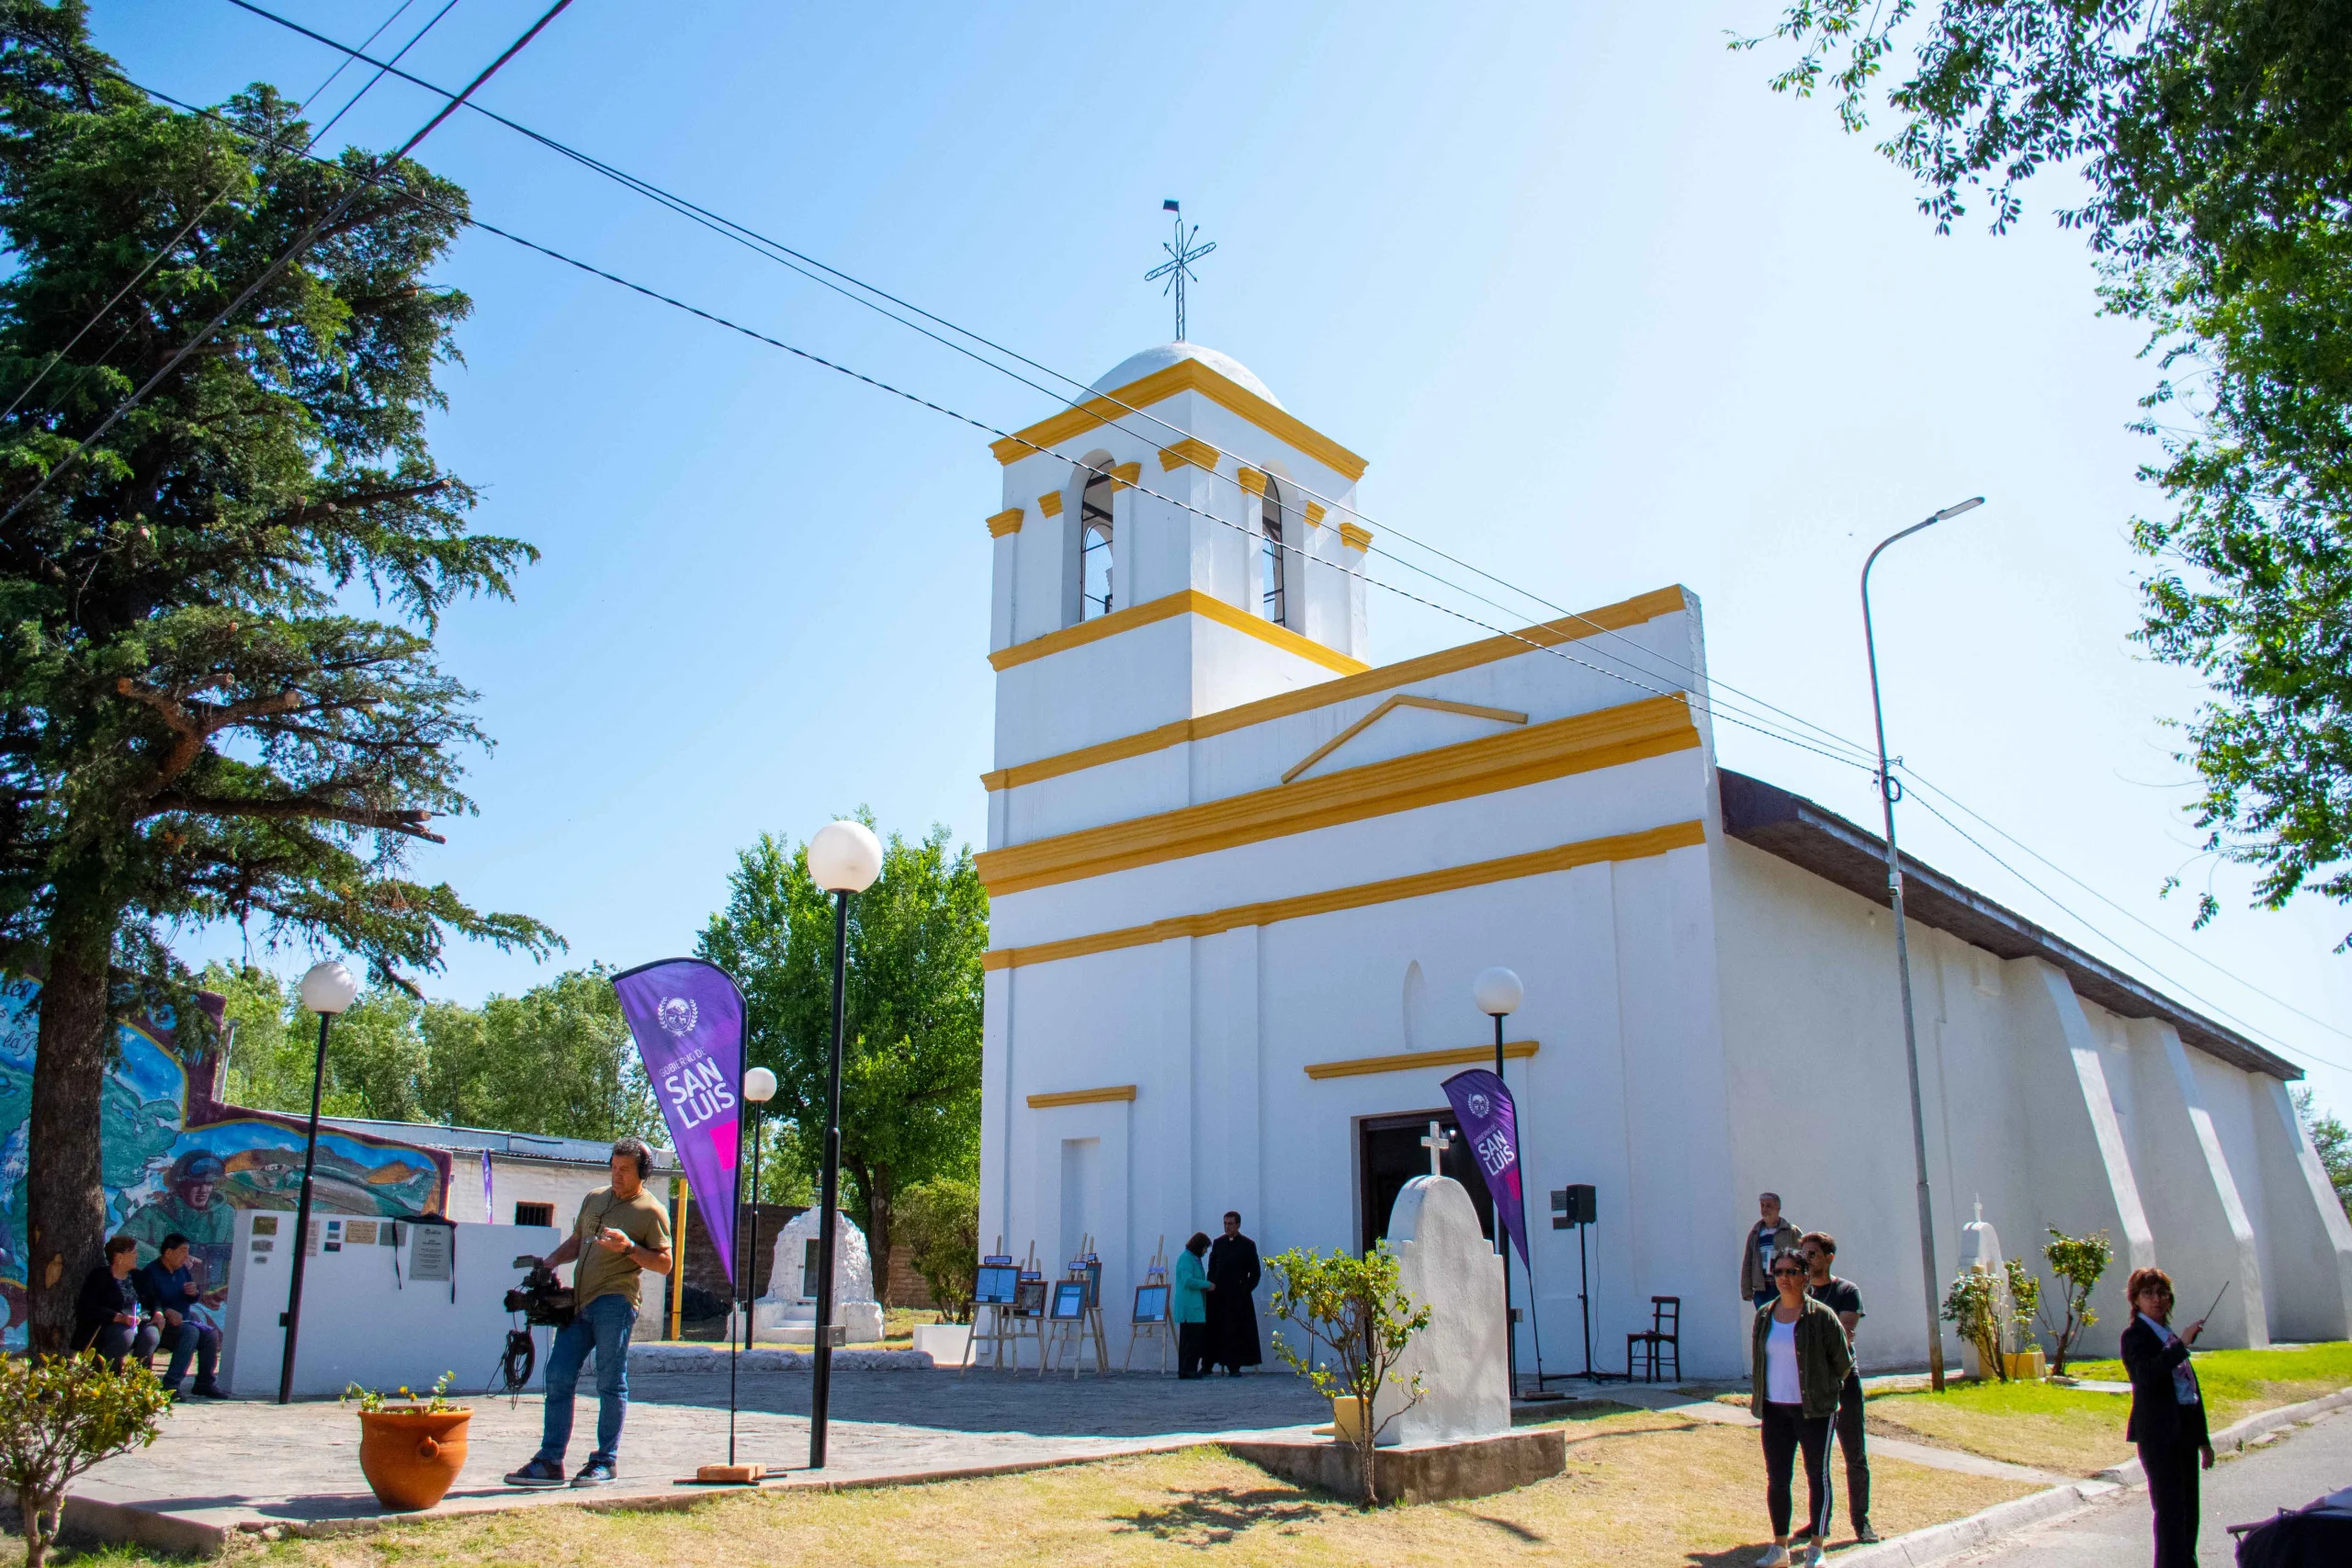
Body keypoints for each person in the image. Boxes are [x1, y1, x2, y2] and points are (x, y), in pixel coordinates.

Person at [504, 1138, 673, 1488]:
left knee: (610, 1380)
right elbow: (578, 1240)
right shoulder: (594, 1198)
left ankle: (605, 1461)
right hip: (578, 1304)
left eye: (625, 1170)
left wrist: (629, 1248)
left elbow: (664, 1263)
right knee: (558, 1374)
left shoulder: (651, 1210)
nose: (617, 1176)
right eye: (613, 1167)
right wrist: (551, 1261)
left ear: (643, 1172)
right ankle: (550, 1461)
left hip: (616, 1303)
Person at [1750, 1248, 1851, 1567]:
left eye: (1792, 1272)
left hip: (1814, 1411)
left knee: (1817, 1476)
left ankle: (1816, 1549)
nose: (1784, 1278)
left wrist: (1822, 1390)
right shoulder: (1765, 1314)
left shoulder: (1821, 1316)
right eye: (1778, 1272)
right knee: (1777, 1478)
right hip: (1774, 1410)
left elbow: (1842, 1363)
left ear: (1805, 1276)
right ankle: (1779, 1548)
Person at [2120, 1266, 2212, 1568]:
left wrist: (2203, 1440)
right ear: (2135, 1299)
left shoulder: (2168, 1334)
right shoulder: (2135, 1336)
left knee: (2189, 1513)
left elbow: (2189, 1391)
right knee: (2170, 1512)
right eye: (2148, 1293)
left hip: (2184, 1432)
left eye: (2162, 1293)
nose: (2156, 1299)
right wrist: (2181, 1345)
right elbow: (2144, 1375)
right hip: (2158, 1435)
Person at [1800, 1232, 1874, 1545]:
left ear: (1829, 1257)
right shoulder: (1798, 1294)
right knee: (1816, 1459)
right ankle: (1819, 1524)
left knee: (1854, 1453)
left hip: (1843, 1381)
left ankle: (1862, 1522)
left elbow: (1843, 1334)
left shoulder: (1846, 1291)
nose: (1807, 1261)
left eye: (1813, 1254)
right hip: (1812, 1386)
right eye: (1804, 1255)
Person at [136, 1233, 223, 1398]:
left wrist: (194, 1292)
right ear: (168, 1253)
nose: (186, 1256)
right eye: (183, 1251)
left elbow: (192, 1298)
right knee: (191, 1332)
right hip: (162, 1322)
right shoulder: (151, 1272)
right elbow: (148, 1300)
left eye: (187, 1251)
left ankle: (204, 1383)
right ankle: (171, 1385)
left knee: (210, 1334)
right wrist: (167, 1311)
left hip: (184, 1319)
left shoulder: (182, 1270)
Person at [73, 1236, 159, 1370]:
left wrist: (159, 1313)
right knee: (125, 1337)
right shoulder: (100, 1276)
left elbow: (153, 1299)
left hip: (139, 1320)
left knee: (151, 1336)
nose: (137, 1255)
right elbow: (87, 1307)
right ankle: (109, 1377)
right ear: (119, 1257)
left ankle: (138, 1379)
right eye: (133, 1252)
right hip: (111, 1323)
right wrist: (119, 1317)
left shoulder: (139, 1277)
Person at [1204, 1211, 1262, 1375]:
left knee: (1236, 1332)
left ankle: (1234, 1366)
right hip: (1218, 1296)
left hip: (1238, 1298)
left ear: (1238, 1225)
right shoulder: (1218, 1243)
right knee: (1214, 1331)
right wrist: (1211, 1286)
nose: (1227, 1227)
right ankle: (1208, 1364)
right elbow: (1212, 1268)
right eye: (1225, 1223)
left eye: (1230, 1224)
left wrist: (1244, 1290)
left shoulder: (1248, 1245)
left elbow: (1255, 1273)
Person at [1740, 1191, 1803, 1310]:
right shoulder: (1756, 1233)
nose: (1765, 1209)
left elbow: (1802, 1257)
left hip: (1785, 1284)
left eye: (1768, 1206)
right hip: (1762, 1288)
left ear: (1778, 1208)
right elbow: (1748, 1262)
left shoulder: (1790, 1231)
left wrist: (1804, 1284)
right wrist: (1746, 1289)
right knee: (1765, 1321)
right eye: (1762, 1205)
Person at [1173, 1232, 1213, 1379]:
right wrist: (1207, 1285)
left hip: (1195, 1306)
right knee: (1190, 1341)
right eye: (1204, 1248)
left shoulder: (1194, 1259)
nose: (1205, 1252)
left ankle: (1188, 1369)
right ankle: (1187, 1369)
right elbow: (1188, 1280)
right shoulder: (1186, 1259)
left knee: (1193, 1340)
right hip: (1189, 1307)